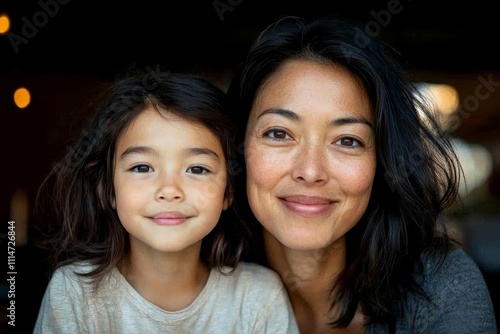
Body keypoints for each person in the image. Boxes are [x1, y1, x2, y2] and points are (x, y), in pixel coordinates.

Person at [225, 15, 498, 333]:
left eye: (347, 140)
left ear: (381, 162)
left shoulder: (439, 287)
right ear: (238, 147)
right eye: (279, 133)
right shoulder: (190, 291)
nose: (310, 171)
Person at [33, 71, 299, 333]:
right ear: (108, 190)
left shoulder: (258, 299)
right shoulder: (75, 294)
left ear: (228, 192)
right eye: (142, 168)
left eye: (197, 169)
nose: (169, 190)